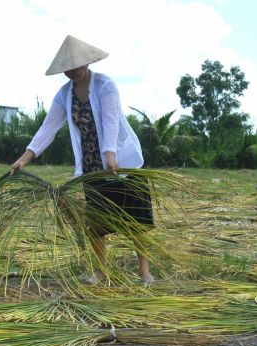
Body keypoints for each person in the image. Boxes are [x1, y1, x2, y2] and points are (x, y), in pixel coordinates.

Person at [10, 35, 154, 286]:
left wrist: (110, 154)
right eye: (66, 69)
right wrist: (25, 158)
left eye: (74, 67)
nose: (70, 72)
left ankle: (145, 272)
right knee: (97, 223)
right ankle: (100, 272)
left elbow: (111, 121)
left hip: (123, 163)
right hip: (91, 166)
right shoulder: (64, 95)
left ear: (86, 64)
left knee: (135, 219)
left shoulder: (105, 86)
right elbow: (48, 127)